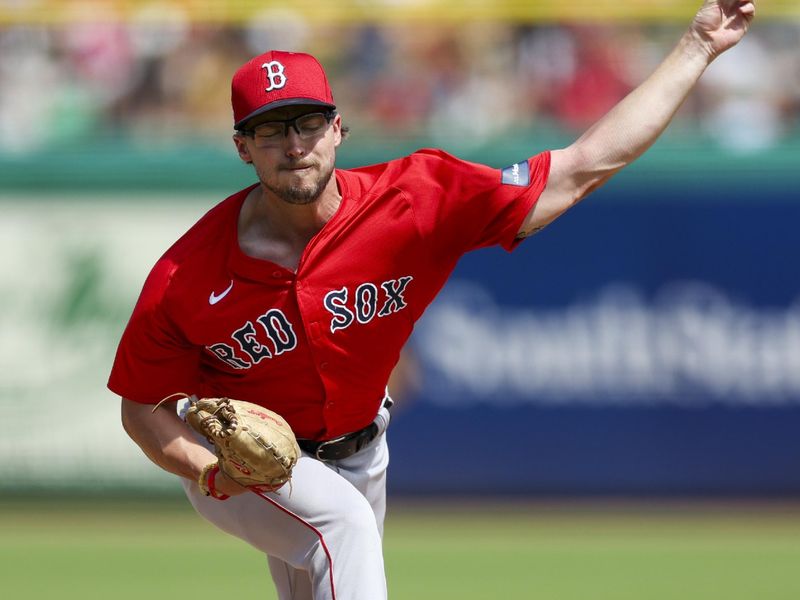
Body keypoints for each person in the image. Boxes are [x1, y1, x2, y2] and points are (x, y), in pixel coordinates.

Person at [109, 2, 755, 599]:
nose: (294, 144)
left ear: (339, 129)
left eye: (307, 122)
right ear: (242, 148)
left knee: (334, 548)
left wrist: (697, 46)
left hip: (363, 453)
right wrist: (205, 469)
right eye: (270, 130)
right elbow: (141, 409)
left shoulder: (414, 200)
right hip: (244, 470)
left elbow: (582, 166)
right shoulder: (186, 274)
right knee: (345, 530)